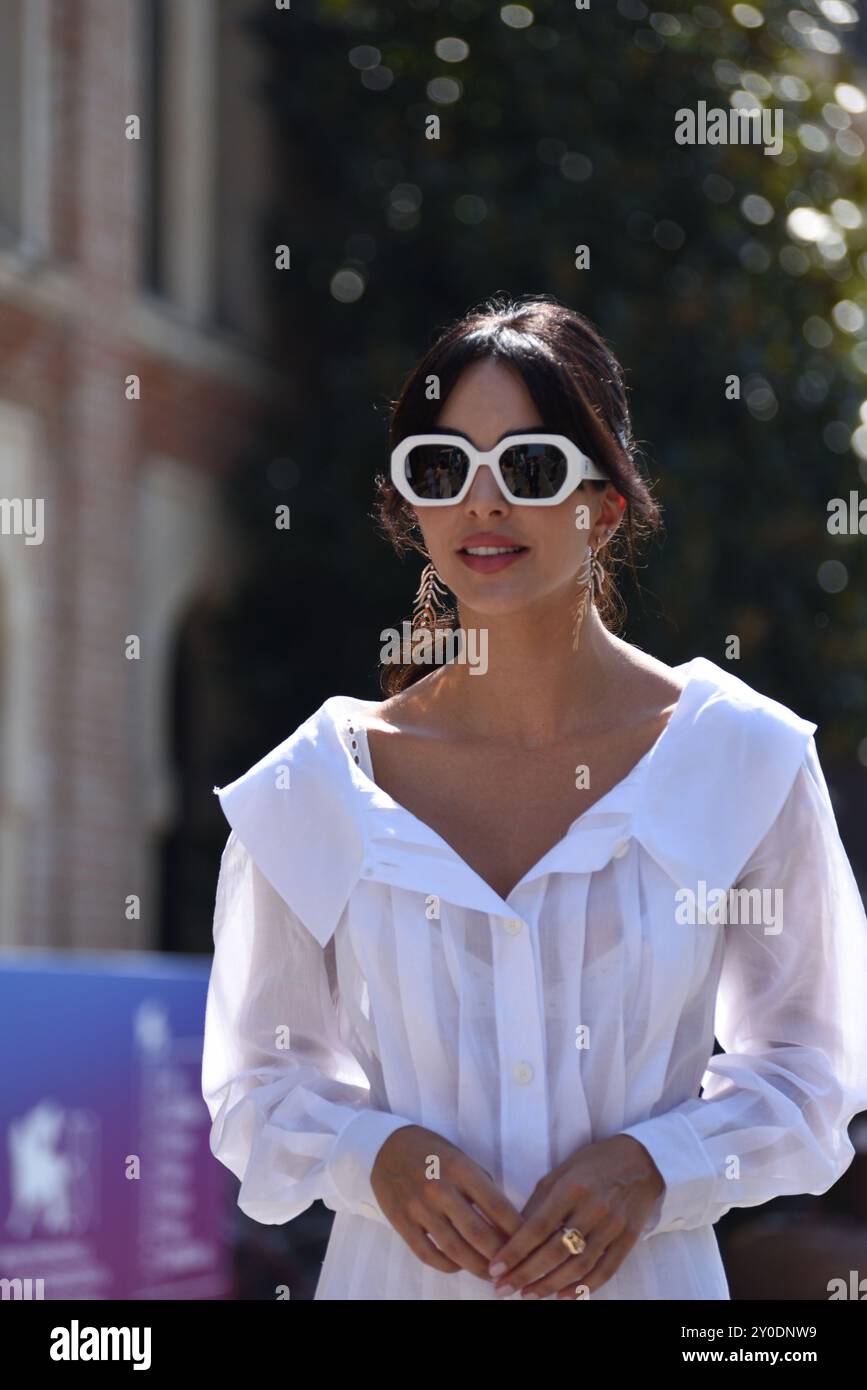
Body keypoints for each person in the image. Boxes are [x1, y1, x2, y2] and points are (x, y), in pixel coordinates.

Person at [202, 295, 867, 1300]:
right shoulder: (315, 783)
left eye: (529, 466)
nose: (484, 501)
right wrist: (374, 1153)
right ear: (410, 503)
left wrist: (659, 1166)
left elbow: (814, 1069)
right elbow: (256, 1086)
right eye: (442, 466)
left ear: (603, 502)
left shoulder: (744, 758)